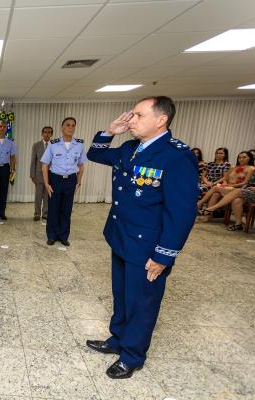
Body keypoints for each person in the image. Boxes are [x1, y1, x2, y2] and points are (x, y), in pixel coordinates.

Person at [86, 96, 198, 379]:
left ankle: (133, 355)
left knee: (142, 302)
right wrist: (110, 131)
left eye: (137, 115)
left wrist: (163, 256)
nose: (131, 120)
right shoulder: (129, 148)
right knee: (122, 296)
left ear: (161, 120)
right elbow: (95, 154)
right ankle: (118, 340)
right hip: (121, 236)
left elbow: (181, 213)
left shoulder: (176, 156)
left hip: (148, 246)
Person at [41, 118, 87, 246]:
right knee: (53, 209)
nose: (70, 128)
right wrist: (46, 183)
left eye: (73, 125)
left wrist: (78, 182)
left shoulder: (79, 145)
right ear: (62, 127)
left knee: (66, 210)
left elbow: (81, 166)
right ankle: (51, 235)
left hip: (71, 180)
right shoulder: (53, 144)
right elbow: (44, 165)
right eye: (67, 125)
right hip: (55, 179)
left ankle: (63, 236)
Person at [198, 151, 255, 219]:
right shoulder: (233, 167)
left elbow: (245, 183)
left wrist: (230, 186)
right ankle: (208, 216)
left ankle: (199, 204)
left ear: (250, 158)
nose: (241, 159)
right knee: (215, 194)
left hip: (237, 190)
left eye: (244, 157)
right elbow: (225, 178)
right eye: (239, 157)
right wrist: (225, 183)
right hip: (227, 188)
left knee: (215, 188)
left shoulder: (251, 168)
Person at [30, 126, 53, 221]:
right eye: (45, 132)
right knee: (38, 195)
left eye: (49, 132)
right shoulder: (36, 145)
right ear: (42, 133)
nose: (47, 134)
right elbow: (33, 160)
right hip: (38, 175)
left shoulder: (54, 145)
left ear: (51, 134)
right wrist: (32, 175)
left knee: (47, 196)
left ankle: (45, 213)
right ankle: (37, 213)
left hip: (50, 174)